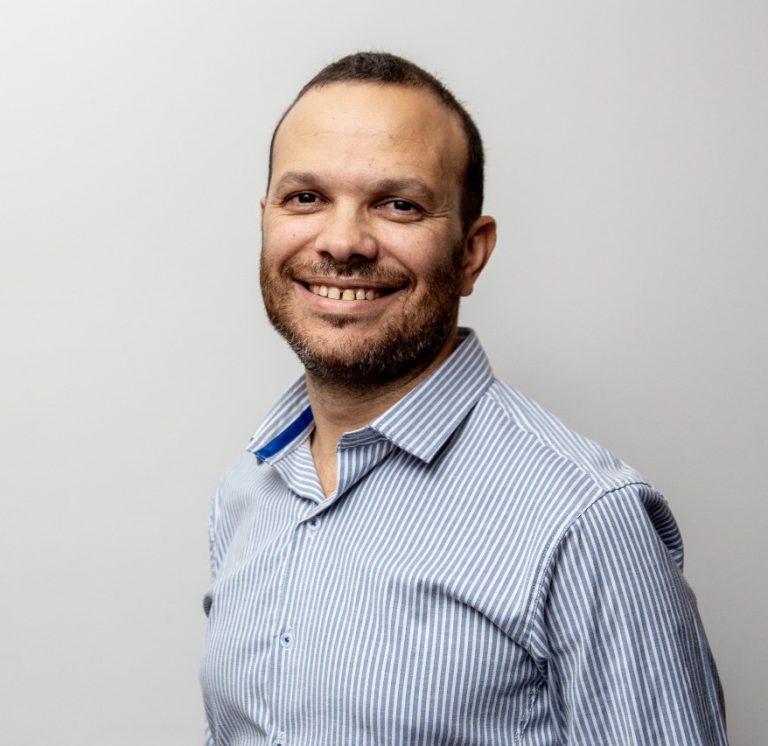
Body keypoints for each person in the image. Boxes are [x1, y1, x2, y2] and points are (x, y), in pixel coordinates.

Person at [200, 52, 727, 745]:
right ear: (266, 219)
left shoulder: (586, 522)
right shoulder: (249, 489)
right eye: (306, 198)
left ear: (472, 252)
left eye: (399, 205)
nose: (343, 242)